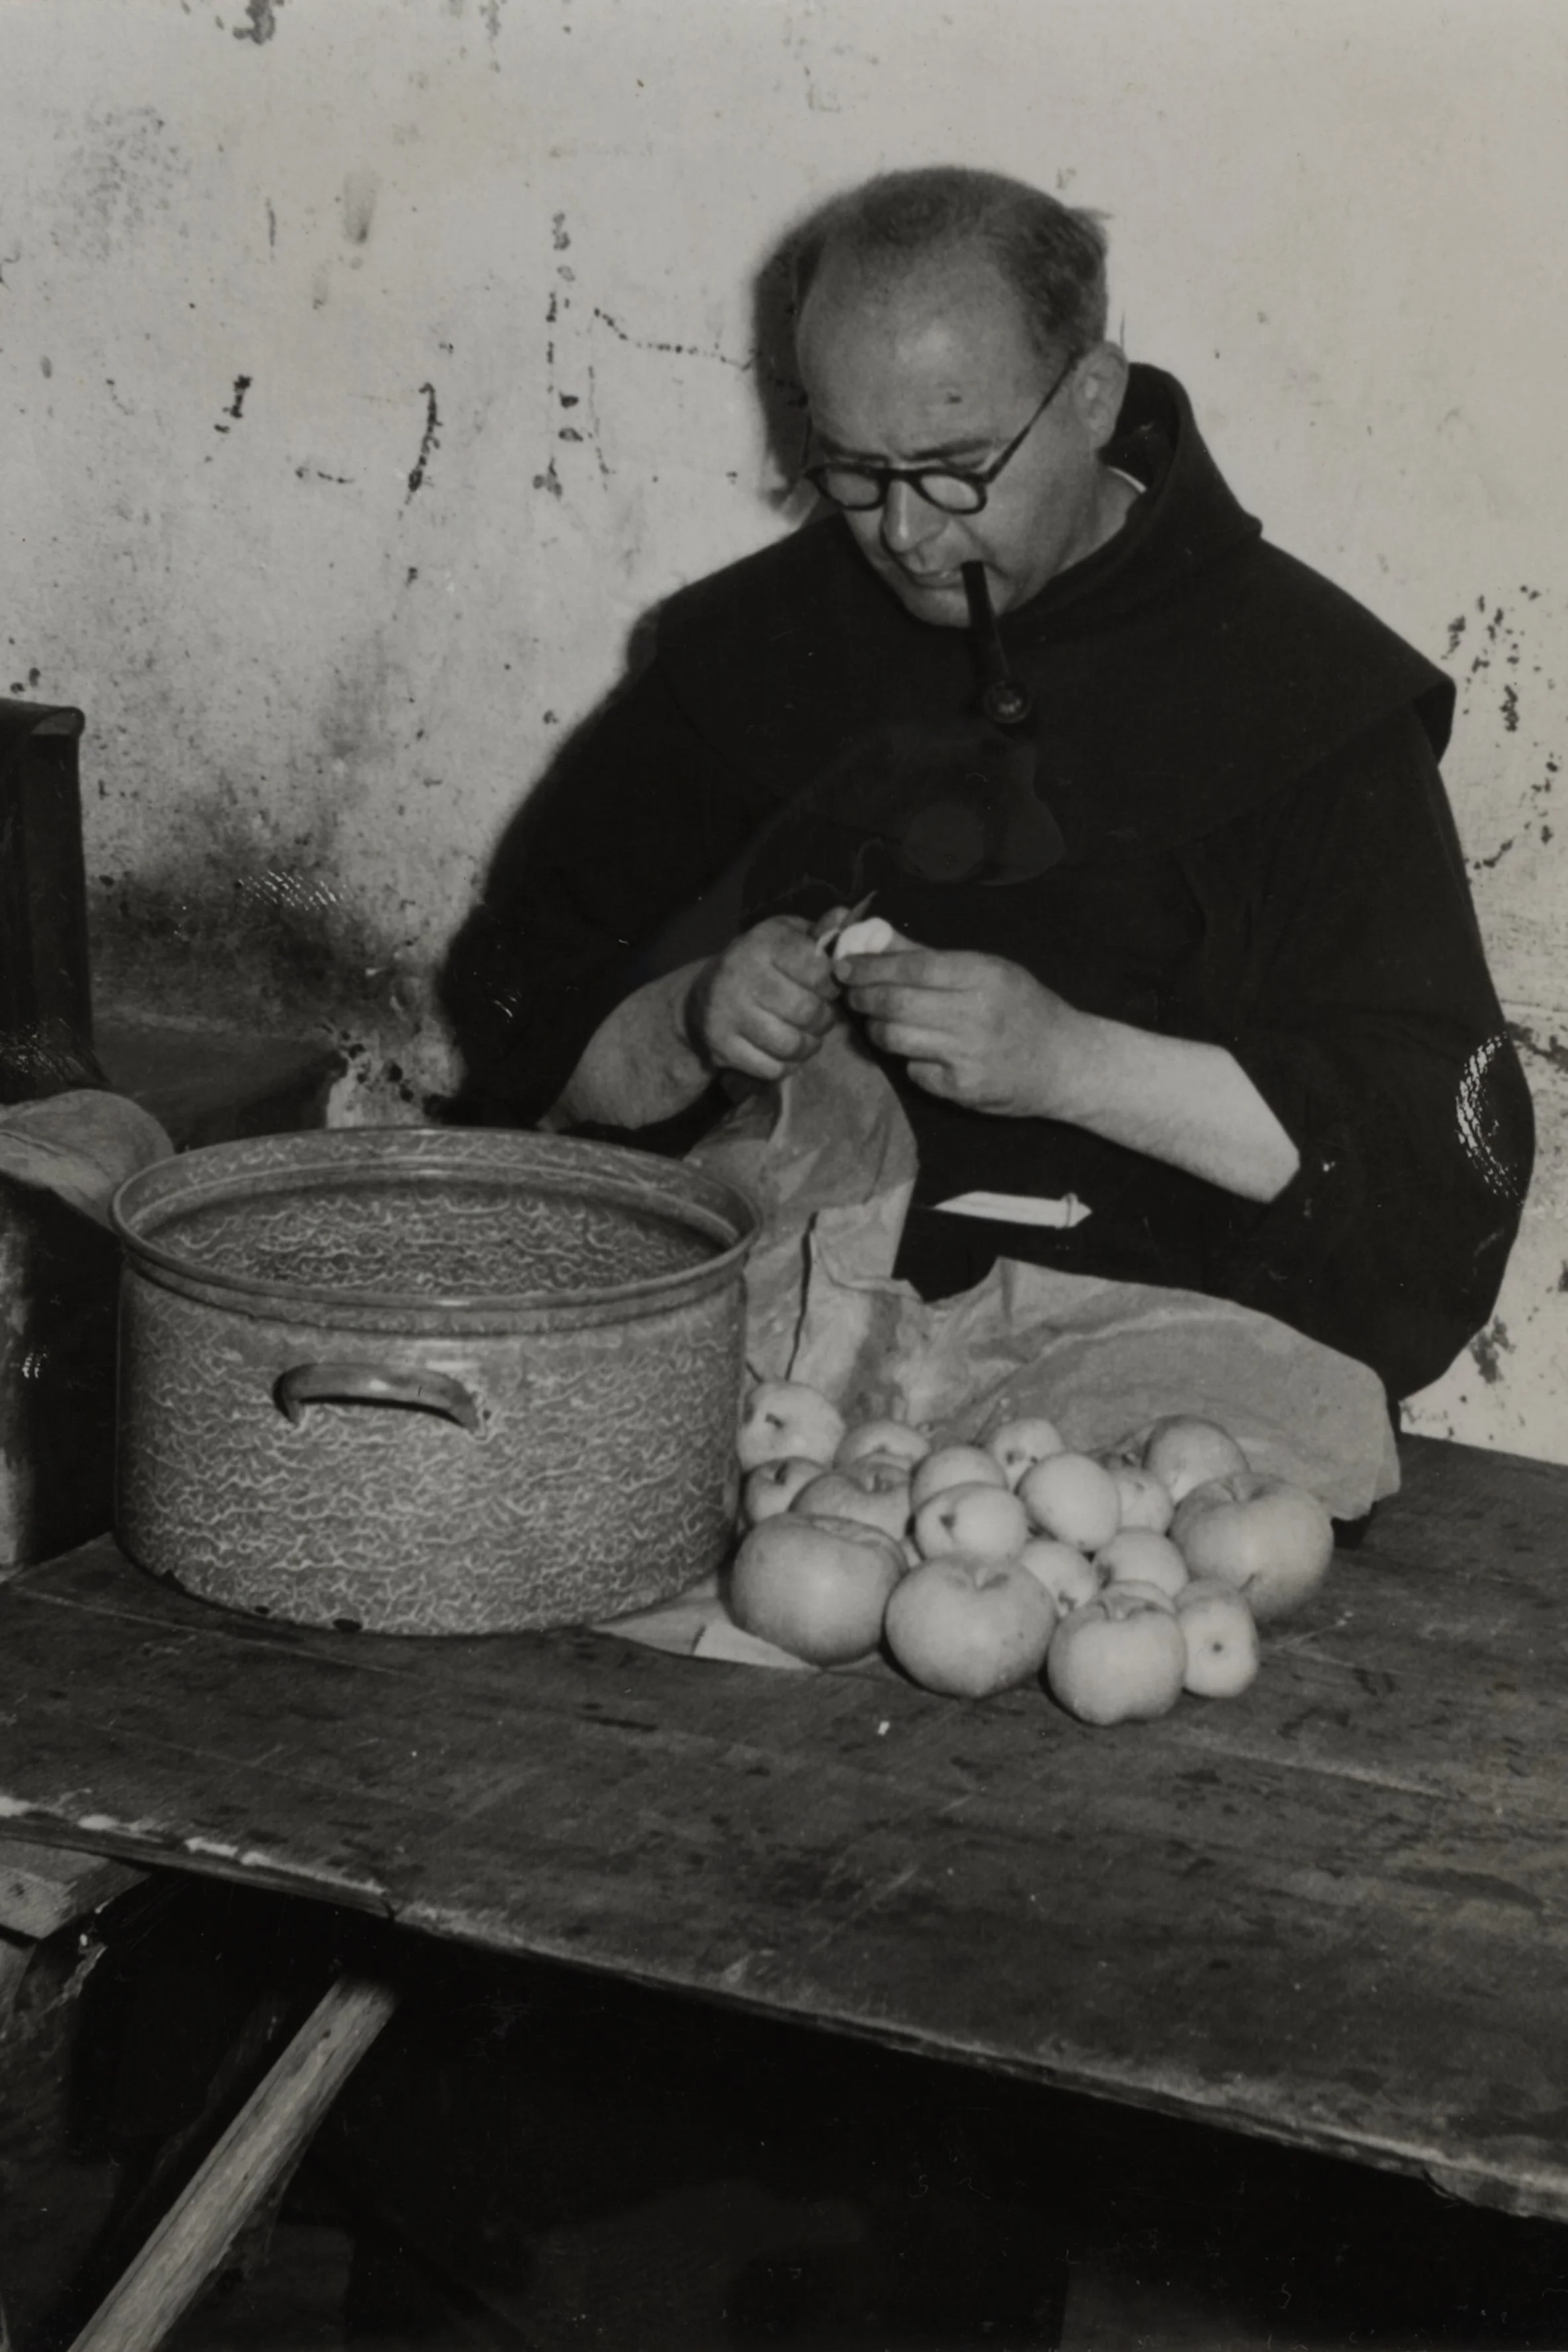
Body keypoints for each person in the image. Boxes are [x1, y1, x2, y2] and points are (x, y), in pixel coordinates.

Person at [442, 165, 1532, 1405]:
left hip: (1149, 1407)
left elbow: (1428, 1164)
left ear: (1090, 396)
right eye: (850, 469)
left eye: (956, 467)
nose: (903, 533)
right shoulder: (759, 644)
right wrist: (695, 1015)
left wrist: (1071, 1062)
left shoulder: (1303, 691)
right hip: (746, 1375)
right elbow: (521, 1014)